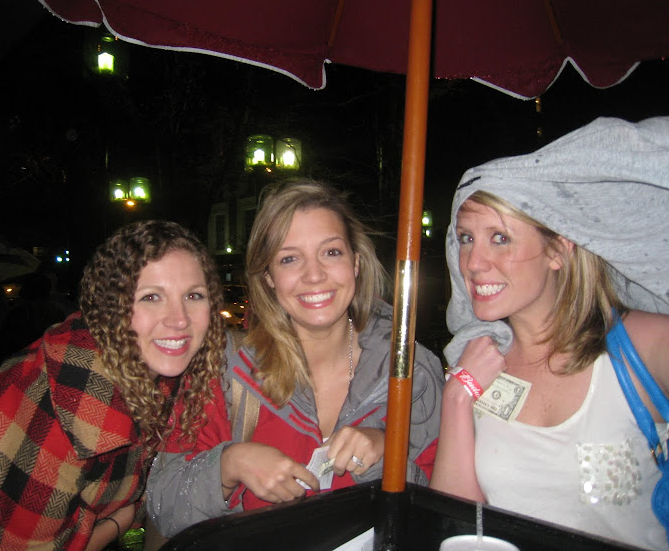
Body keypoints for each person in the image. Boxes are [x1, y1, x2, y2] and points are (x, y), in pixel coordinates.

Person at [430, 116, 669, 551]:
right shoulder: (477, 362)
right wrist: (458, 397)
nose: (473, 263)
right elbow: (457, 527)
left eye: (499, 238)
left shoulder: (642, 345)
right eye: (465, 238)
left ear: (558, 250)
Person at [0, 220, 227, 551]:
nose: (180, 319)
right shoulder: (64, 408)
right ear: (110, 306)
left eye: (194, 295)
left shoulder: (152, 374)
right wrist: (117, 524)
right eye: (151, 296)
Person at [146, 179, 445, 539]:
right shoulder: (227, 371)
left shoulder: (411, 374)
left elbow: (440, 513)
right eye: (289, 259)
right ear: (269, 278)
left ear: (356, 263)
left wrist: (388, 456)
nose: (314, 275)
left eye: (331, 252)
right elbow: (163, 505)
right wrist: (229, 464)